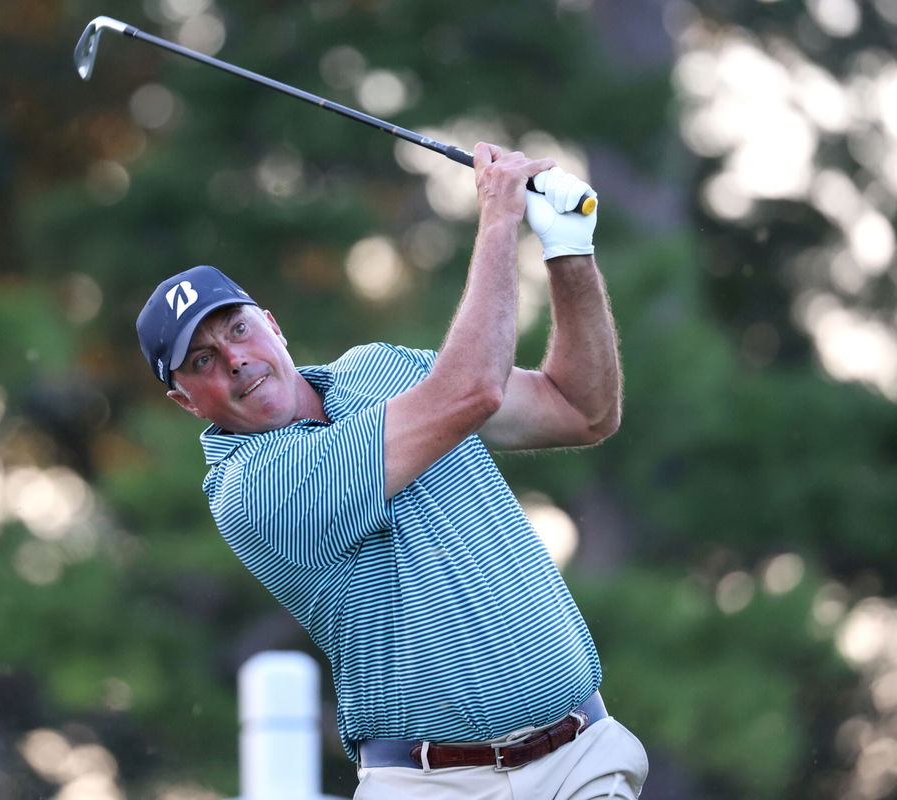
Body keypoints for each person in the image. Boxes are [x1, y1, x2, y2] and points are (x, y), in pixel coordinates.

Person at [135, 144, 648, 799]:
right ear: (183, 401)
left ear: (273, 324)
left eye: (237, 329)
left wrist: (568, 250)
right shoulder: (251, 490)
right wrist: (497, 221)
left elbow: (582, 409)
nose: (233, 359)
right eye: (201, 361)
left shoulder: (382, 366)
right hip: (431, 786)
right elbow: (470, 395)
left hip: (580, 761)